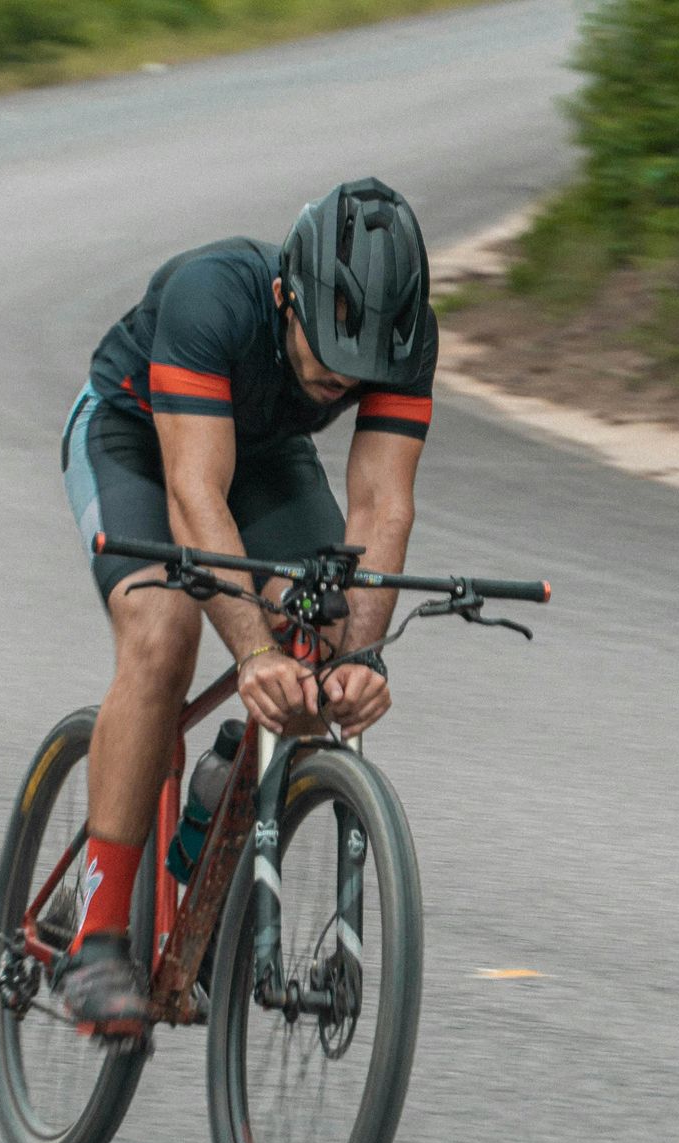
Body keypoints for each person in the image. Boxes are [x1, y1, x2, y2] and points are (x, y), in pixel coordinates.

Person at [53, 177, 438, 1032]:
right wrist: (253, 653)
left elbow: (383, 510)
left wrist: (360, 659)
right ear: (286, 296)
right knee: (164, 633)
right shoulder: (213, 294)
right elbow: (194, 496)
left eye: (359, 377)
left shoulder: (409, 339)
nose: (339, 387)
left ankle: (210, 806)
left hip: (261, 454)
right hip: (134, 436)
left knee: (328, 625)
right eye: (322, 363)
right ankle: (100, 936)